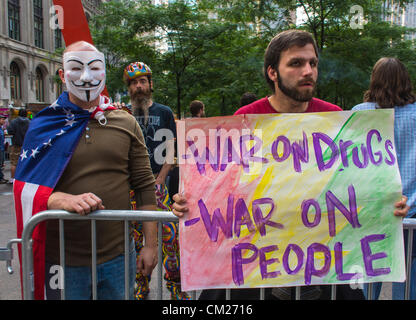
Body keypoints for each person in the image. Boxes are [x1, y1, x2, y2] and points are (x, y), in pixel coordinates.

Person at [172, 29, 410, 300]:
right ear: (272, 72)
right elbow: (219, 191)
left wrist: (388, 201)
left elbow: (360, 185)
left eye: (313, 63)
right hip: (258, 268)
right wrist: (188, 202)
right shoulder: (246, 119)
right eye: (296, 63)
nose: (308, 70)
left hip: (324, 267)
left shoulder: (335, 118)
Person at [13, 41, 158, 300]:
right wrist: (59, 199)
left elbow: (145, 186)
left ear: (103, 73)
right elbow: (25, 186)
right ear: (62, 75)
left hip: (117, 257)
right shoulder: (45, 125)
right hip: (62, 260)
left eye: (94, 68)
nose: (86, 77)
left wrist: (151, 245)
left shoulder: (125, 122)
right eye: (76, 68)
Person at [123, 61, 189, 300]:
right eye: (133, 83)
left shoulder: (164, 112)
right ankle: (141, 287)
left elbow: (172, 148)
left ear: (150, 84)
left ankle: (177, 289)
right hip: (129, 190)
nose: (138, 86)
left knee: (171, 239)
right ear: (129, 88)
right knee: (135, 240)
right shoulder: (122, 114)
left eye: (142, 81)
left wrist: (161, 179)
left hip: (158, 187)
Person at [352, 57, 416, 300]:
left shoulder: (359, 113)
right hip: (410, 215)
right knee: (407, 287)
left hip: (370, 214)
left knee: (368, 284)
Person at [7, 109, 30, 184]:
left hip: (16, 144)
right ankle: (25, 178)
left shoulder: (14, 122)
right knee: (26, 162)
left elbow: (10, 131)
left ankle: (12, 179)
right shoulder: (30, 122)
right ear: (26, 114)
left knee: (14, 163)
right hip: (27, 145)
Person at [0, 115, 7, 184]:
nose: (3, 121)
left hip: (2, 148)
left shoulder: (1, 128)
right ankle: (0, 178)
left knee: (1, 163)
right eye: (2, 119)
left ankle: (1, 177)